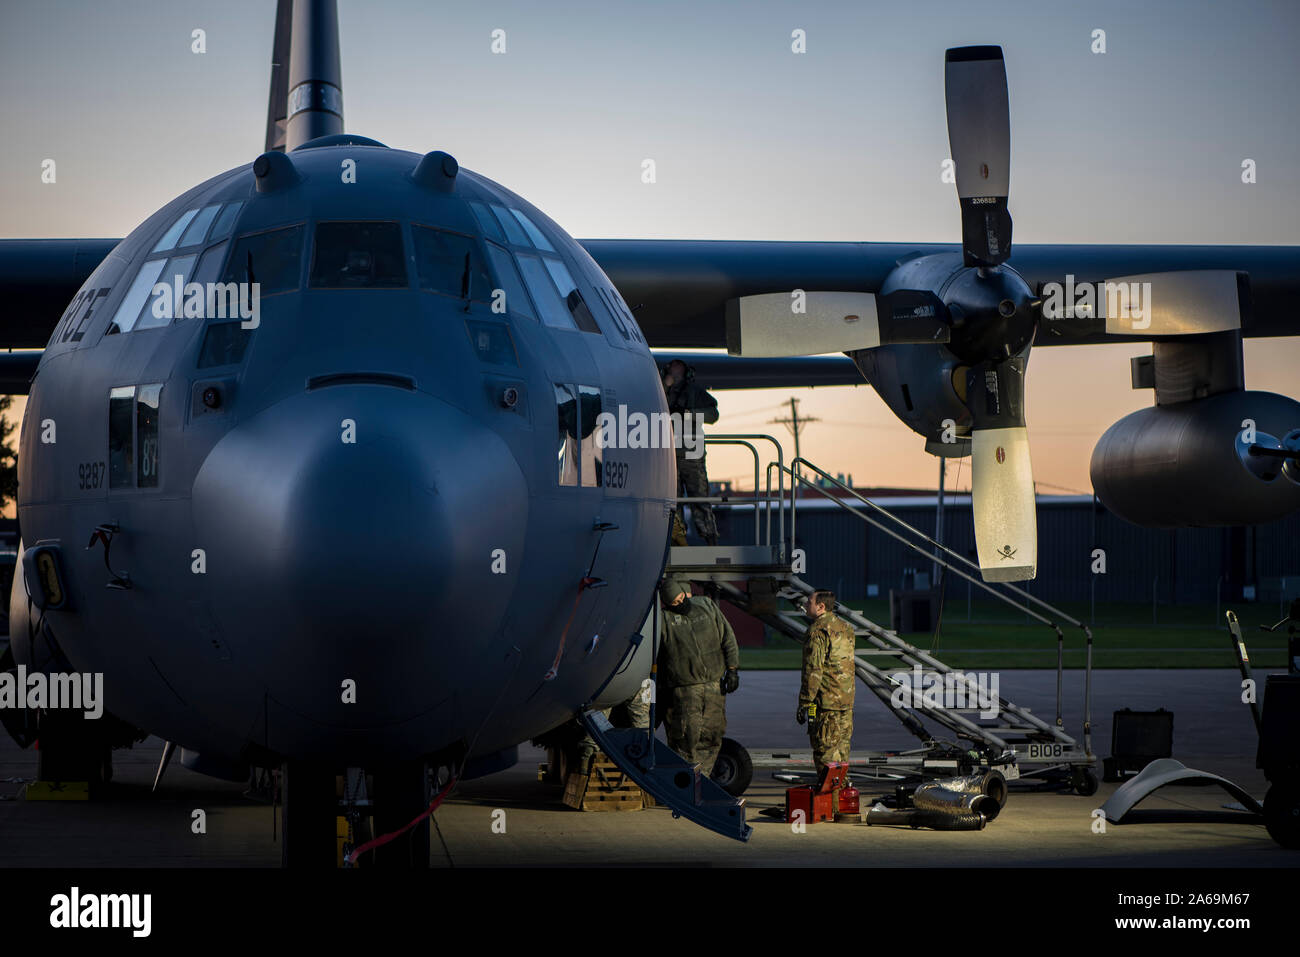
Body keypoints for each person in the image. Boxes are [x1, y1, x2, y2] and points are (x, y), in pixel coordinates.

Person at [657, 576, 739, 775]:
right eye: (674, 603)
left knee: (712, 733)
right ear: (666, 604)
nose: (679, 604)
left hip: (713, 685)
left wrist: (733, 669)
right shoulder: (664, 620)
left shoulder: (706, 606)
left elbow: (727, 637)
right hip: (685, 689)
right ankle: (684, 780)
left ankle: (704, 779)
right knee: (686, 736)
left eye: (680, 599)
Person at [796, 589, 856, 775]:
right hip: (845, 704)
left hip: (826, 707)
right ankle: (839, 802)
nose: (805, 605)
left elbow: (813, 671)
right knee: (841, 759)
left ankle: (829, 804)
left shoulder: (817, 631)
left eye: (809, 602)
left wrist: (805, 703)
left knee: (826, 759)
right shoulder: (846, 627)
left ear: (821, 607)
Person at [662, 359, 720, 546]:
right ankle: (678, 540)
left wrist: (689, 413)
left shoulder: (695, 393)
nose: (675, 373)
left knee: (700, 498)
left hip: (691, 454)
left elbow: (713, 415)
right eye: (672, 370)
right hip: (669, 455)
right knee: (673, 501)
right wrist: (665, 387)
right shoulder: (661, 392)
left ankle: (709, 537)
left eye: (678, 370)